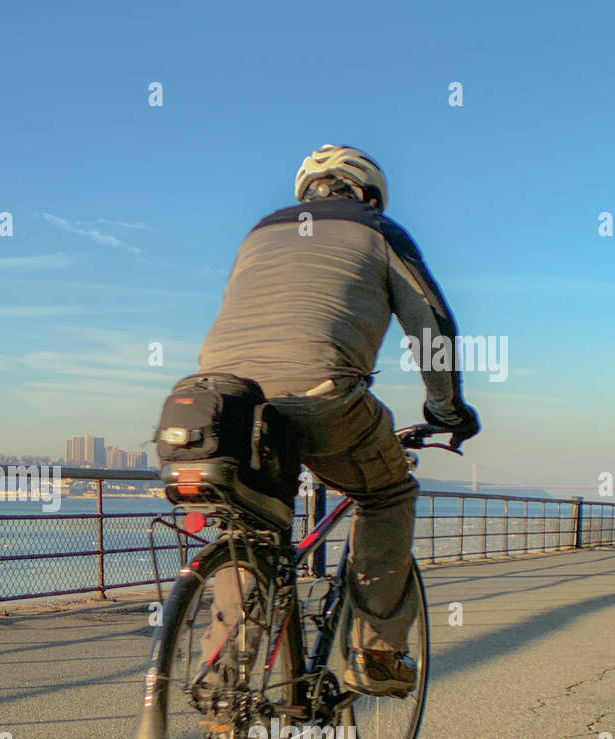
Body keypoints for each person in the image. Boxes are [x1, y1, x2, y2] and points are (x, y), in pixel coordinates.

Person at [197, 145, 479, 696]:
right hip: (321, 394)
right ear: (367, 194)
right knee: (387, 493)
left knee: (251, 528)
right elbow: (432, 329)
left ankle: (222, 681)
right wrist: (446, 410)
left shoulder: (257, 233)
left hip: (219, 403)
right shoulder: (377, 228)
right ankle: (376, 651)